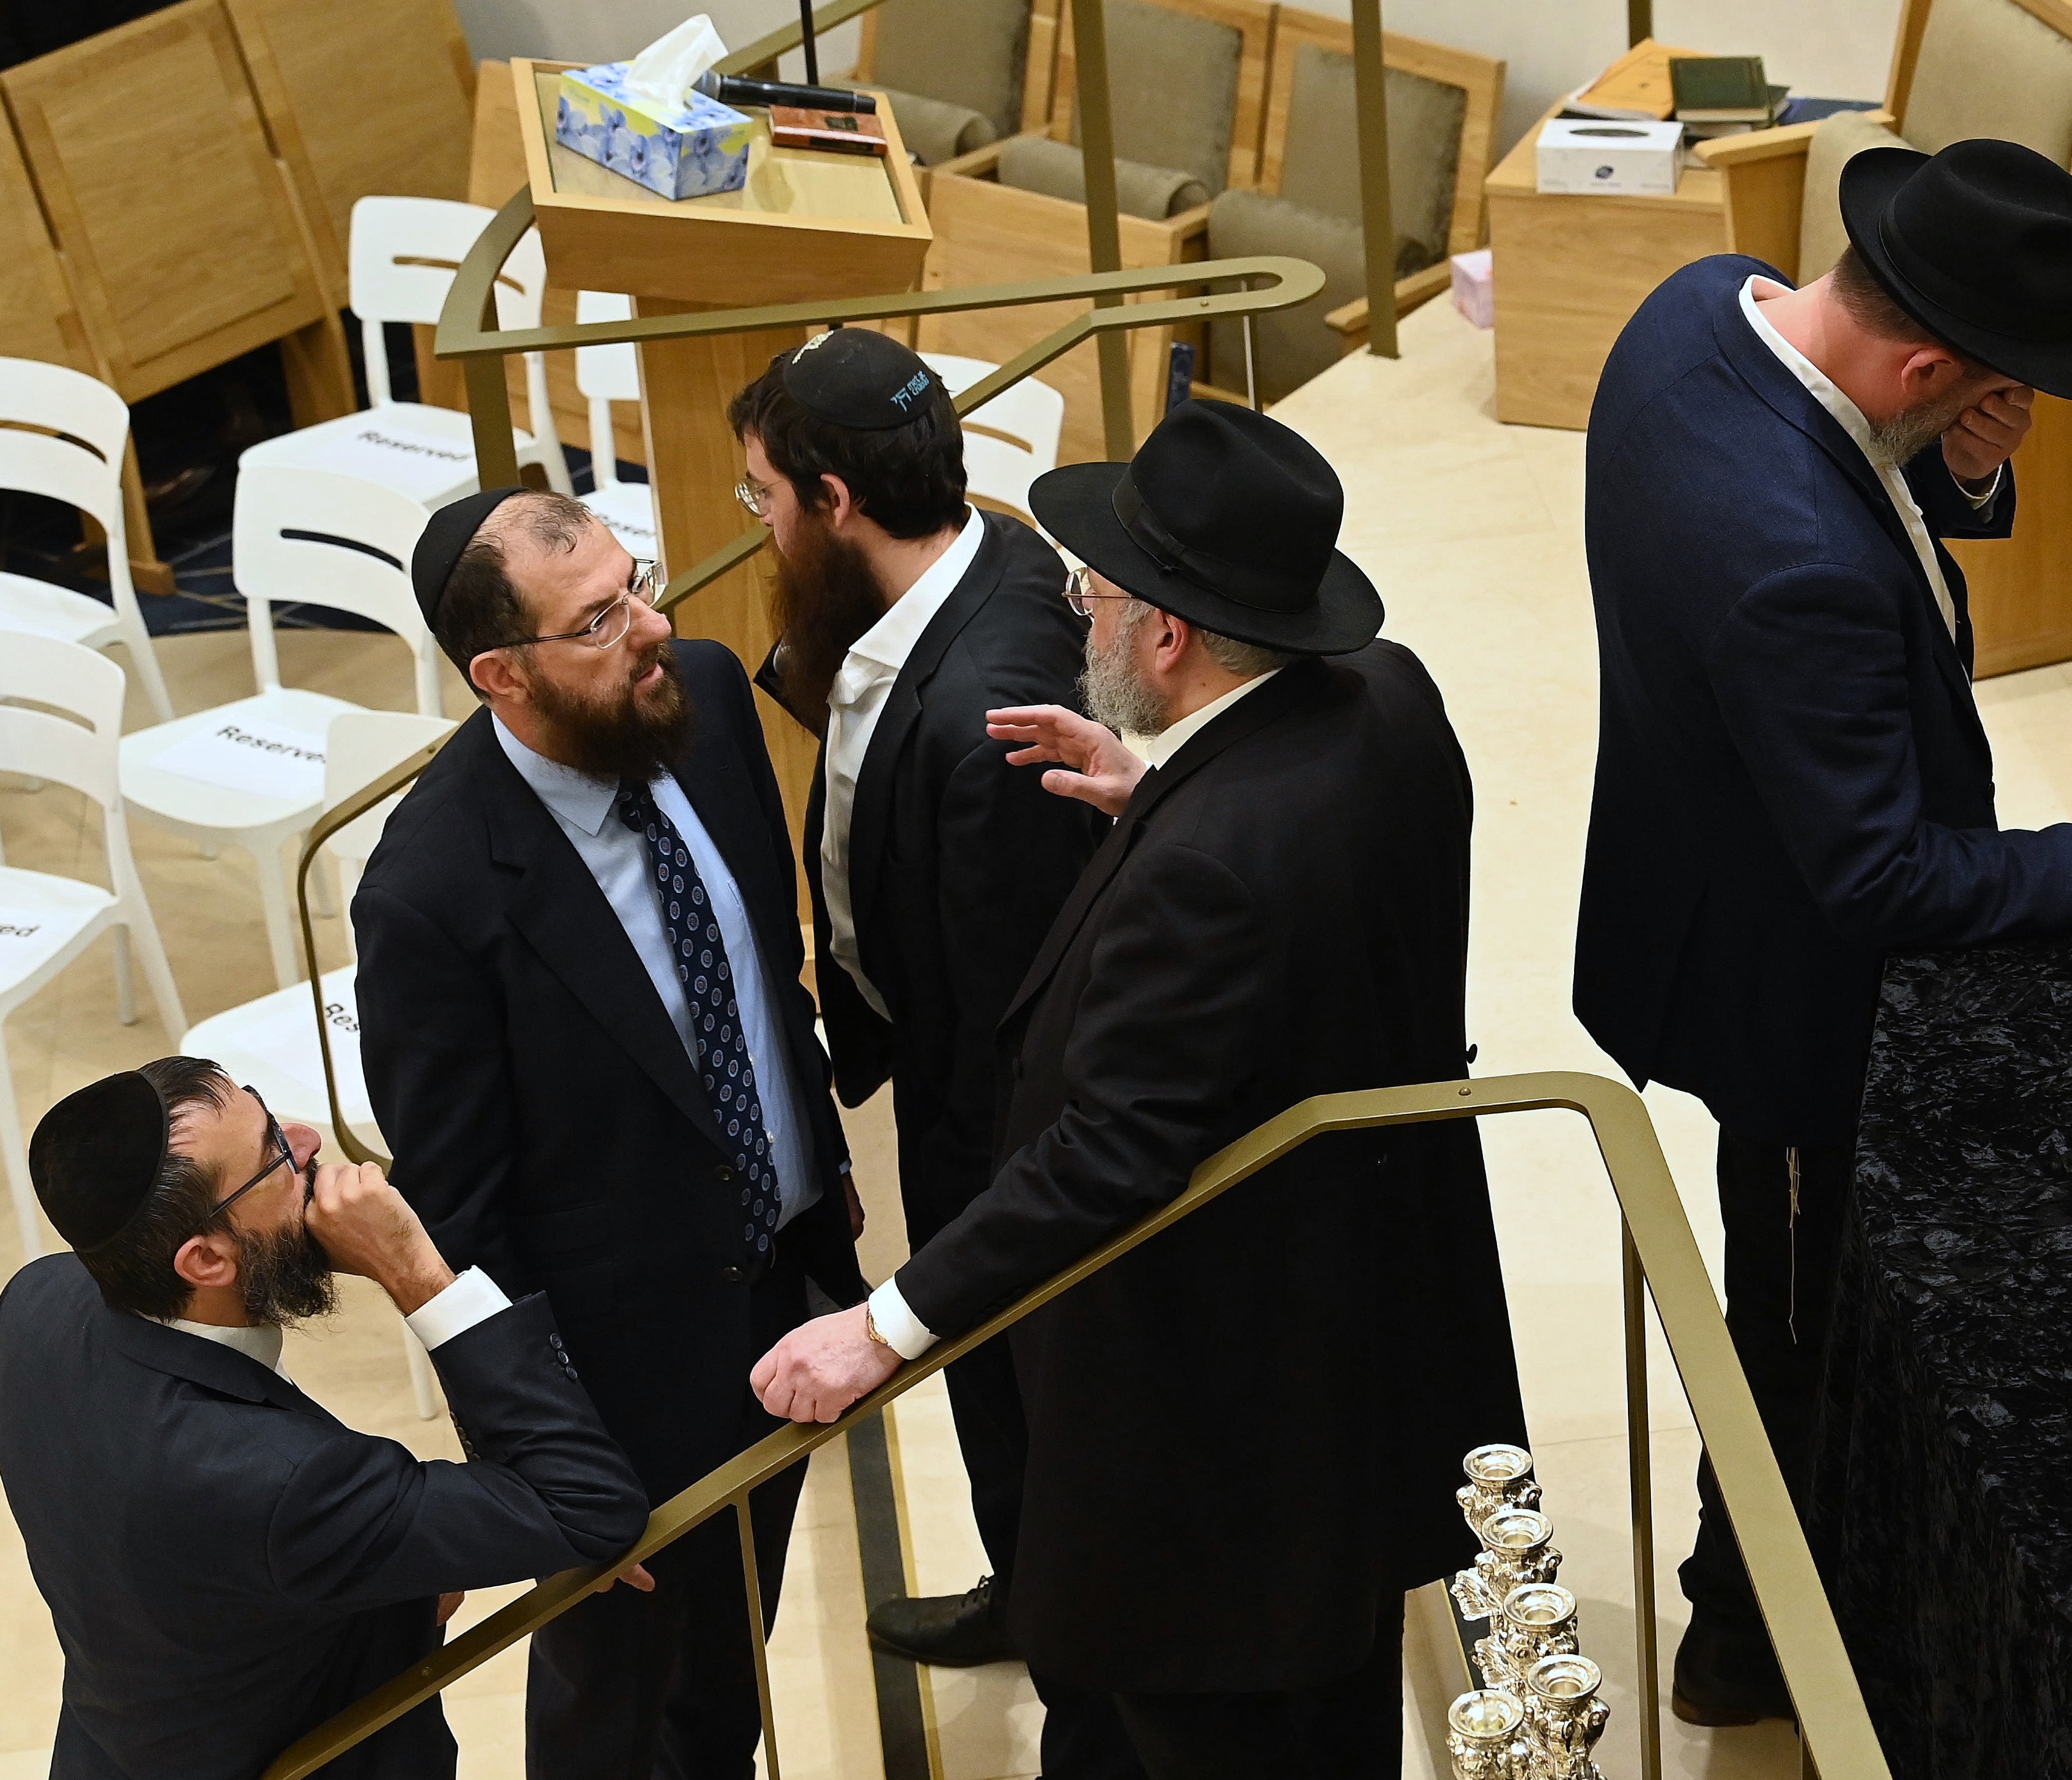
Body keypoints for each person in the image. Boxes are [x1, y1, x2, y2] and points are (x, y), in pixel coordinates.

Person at [1574, 138, 2072, 1726]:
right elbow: (1887, 878)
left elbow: (1860, 468)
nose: (2011, 416)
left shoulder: (1700, 305)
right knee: (1794, 1333)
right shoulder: (1794, 564)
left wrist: (1962, 467)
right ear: (1925, 365)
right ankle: (1742, 1637)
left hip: (1699, 859)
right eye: (1992, 392)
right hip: (1786, 999)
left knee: (1824, 1310)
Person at [746, 400, 1527, 1780]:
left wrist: (884, 1324)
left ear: (1167, 634)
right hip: (1376, 1349)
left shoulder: (1208, 866)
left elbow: (1109, 1148)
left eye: (1093, 595)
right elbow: (1322, 881)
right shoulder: (1388, 700)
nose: (1079, 615)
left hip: (1231, 1430)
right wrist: (1158, 792)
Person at [352, 488, 869, 1779]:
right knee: (613, 1700)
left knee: (730, 1654)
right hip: (619, 1388)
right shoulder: (431, 891)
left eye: (638, 584)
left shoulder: (703, 695)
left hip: (785, 1281)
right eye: (597, 619)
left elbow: (767, 964)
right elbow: (461, 1217)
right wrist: (543, 1452)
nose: (651, 627)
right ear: (501, 674)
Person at [727, 330, 1105, 1690]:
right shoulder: (983, 551)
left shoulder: (983, 718)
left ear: (836, 501)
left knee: (1012, 1376)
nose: (759, 523)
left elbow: (1015, 1010)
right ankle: (1028, 1572)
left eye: (765, 495)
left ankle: (1061, 1614)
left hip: (984, 1113)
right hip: (934, 1058)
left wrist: (974, 1194)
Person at [0, 1061, 647, 1780]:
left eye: (267, 1111)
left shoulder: (36, 1301)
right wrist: (414, 1272)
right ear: (206, 1259)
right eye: (275, 1152)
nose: (309, 1141)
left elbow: (181, 1562)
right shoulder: (282, 1481)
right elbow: (588, 1509)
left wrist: (396, 1575)